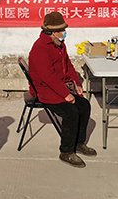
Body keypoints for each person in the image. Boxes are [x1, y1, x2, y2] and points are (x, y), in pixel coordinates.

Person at [28, 11, 97, 168]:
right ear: (52, 32)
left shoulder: (60, 44)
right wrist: (66, 94)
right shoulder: (40, 48)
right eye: (61, 30)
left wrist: (77, 84)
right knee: (71, 112)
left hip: (60, 86)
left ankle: (79, 143)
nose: (64, 32)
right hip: (45, 89)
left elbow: (69, 65)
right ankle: (66, 151)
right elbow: (48, 77)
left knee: (84, 105)